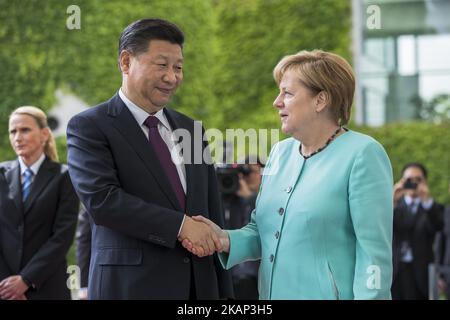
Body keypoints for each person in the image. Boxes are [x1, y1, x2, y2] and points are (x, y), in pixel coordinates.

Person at [183, 50, 394, 299]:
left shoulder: (363, 153)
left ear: (320, 100)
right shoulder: (279, 153)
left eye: (288, 93)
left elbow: (374, 256)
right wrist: (224, 239)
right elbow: (265, 232)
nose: (277, 102)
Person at [66, 18, 233, 299]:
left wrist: (224, 294)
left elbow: (212, 212)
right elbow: (102, 200)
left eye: (178, 67)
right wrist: (180, 226)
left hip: (199, 289)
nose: (172, 77)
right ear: (126, 62)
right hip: (130, 287)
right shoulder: (89, 126)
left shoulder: (192, 130)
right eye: (162, 65)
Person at [0, 106, 79, 300]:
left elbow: (62, 237)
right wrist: (9, 286)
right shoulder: (1, 174)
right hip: (4, 288)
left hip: (47, 287)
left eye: (25, 130)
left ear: (44, 134)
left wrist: (26, 280)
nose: (17, 137)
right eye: (13, 131)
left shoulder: (65, 177)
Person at [392, 163, 444, 300]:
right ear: (402, 182)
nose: (413, 184)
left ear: (425, 182)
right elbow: (381, 227)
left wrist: (427, 200)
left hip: (421, 274)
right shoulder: (395, 206)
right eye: (409, 180)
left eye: (418, 180)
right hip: (396, 272)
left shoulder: (432, 208)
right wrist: (391, 201)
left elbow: (439, 225)